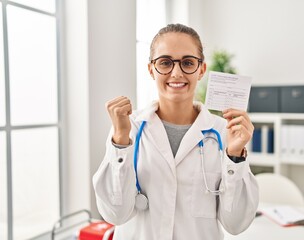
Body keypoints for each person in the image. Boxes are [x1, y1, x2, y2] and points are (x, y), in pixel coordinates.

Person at [93, 23, 259, 240]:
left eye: (188, 62)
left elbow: (236, 224)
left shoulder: (224, 133)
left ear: (201, 70)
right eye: (165, 62)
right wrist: (121, 142)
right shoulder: (128, 128)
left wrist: (235, 157)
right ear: (151, 69)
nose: (177, 72)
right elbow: (115, 214)